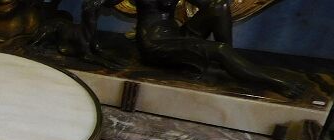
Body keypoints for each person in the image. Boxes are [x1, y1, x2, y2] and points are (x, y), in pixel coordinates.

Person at [82, 0, 303, 98]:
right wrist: (94, 46)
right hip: (154, 44)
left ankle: (225, 58)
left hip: (177, 35)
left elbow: (209, 6)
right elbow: (94, 5)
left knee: (219, 6)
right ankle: (275, 82)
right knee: (218, 50)